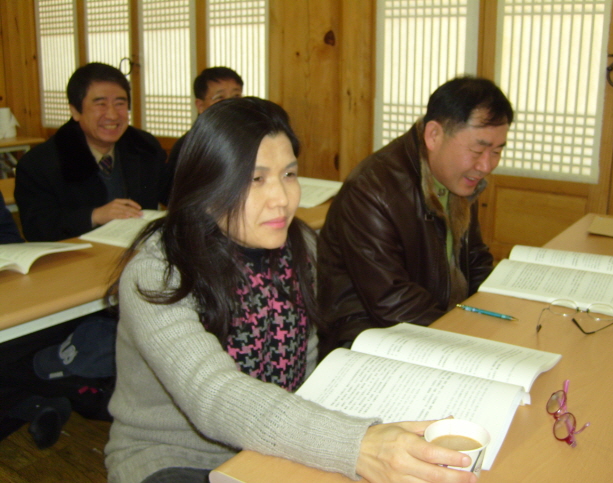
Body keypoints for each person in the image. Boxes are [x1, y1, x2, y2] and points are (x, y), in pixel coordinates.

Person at [104, 97, 476, 483]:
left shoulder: (300, 248)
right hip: (175, 457)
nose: (281, 199)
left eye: (289, 174)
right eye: (256, 179)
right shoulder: (159, 273)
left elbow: (309, 369)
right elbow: (213, 394)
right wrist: (357, 444)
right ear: (208, 184)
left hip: (276, 446)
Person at [317, 76, 514, 356]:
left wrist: (501, 313)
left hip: (439, 323)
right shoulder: (373, 190)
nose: (486, 165)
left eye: (496, 151)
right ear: (434, 135)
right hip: (371, 339)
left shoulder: (457, 178)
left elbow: (475, 260)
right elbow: (392, 302)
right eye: (477, 150)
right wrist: (468, 340)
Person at [14, 62, 169, 242]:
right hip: (77, 255)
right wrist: (94, 216)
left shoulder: (144, 146)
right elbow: (36, 228)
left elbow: (172, 191)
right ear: (75, 111)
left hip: (139, 249)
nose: (112, 115)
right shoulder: (40, 163)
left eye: (120, 104)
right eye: (101, 104)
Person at [166, 66, 244, 173]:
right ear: (200, 106)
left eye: (236, 96)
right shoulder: (189, 146)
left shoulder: (247, 136)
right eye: (220, 97)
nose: (230, 103)